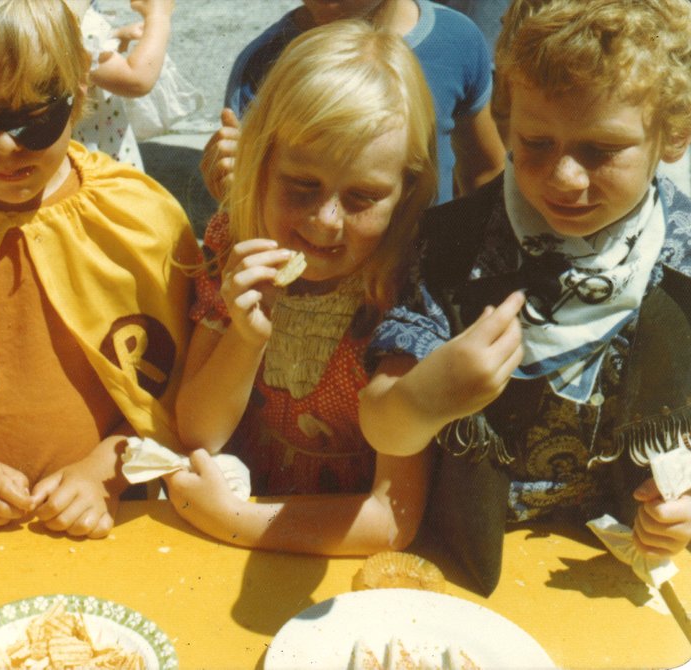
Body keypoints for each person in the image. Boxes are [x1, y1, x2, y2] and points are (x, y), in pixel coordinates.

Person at [358, 0, 691, 595]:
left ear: (672, 136)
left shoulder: (688, 259)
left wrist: (685, 504)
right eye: (536, 142)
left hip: (610, 569)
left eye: (600, 150)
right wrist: (427, 396)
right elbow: (382, 422)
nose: (564, 177)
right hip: (463, 564)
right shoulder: (450, 247)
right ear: (506, 114)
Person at [0, 0, 199, 536]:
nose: (5, 147)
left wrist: (108, 471)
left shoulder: (136, 216)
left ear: (78, 94)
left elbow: (180, 382)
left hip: (109, 510)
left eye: (34, 118)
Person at [163, 19, 436, 556]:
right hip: (234, 527)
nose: (326, 220)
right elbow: (200, 433)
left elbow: (392, 521)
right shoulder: (237, 244)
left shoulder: (405, 292)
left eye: (362, 197)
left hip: (330, 550)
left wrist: (235, 520)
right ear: (260, 163)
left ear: (405, 191)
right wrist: (246, 335)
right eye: (302, 185)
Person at [201, 0, 505, 206]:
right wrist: (232, 186)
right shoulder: (264, 66)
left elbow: (485, 171)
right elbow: (245, 200)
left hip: (427, 283)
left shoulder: (457, 40)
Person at [67, 0, 175, 169]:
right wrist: (158, 16)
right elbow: (137, 80)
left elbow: (88, 51)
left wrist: (115, 36)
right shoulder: (72, 19)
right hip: (95, 151)